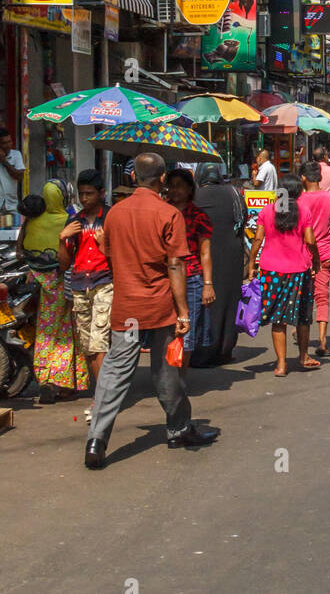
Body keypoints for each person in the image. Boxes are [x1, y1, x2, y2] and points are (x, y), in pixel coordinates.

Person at [84, 152, 218, 470]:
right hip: (160, 306)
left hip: (127, 307)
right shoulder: (168, 214)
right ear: (161, 179)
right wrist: (183, 312)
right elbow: (175, 264)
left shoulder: (114, 213)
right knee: (165, 369)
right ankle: (179, 429)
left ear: (132, 177)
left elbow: (108, 253)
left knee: (116, 372)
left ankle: (96, 439)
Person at [247, 174, 320, 375]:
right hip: (299, 270)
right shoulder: (304, 211)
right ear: (297, 192)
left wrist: (252, 264)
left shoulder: (267, 211)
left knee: (278, 319)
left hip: (271, 271)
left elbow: (257, 239)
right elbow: (311, 241)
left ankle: (280, 365)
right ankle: (303, 357)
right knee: (303, 316)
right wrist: (316, 260)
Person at [21, 183, 87, 402]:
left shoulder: (32, 221)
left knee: (44, 331)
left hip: (35, 283)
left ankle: (44, 378)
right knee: (65, 333)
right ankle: (62, 382)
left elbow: (21, 248)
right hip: (62, 285)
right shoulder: (70, 222)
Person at [58, 170, 112, 419]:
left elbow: (121, 255)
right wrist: (62, 240)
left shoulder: (111, 218)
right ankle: (102, 394)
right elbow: (64, 264)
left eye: (89, 193)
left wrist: (104, 246)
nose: (84, 198)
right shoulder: (74, 222)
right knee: (89, 346)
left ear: (101, 193)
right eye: (81, 194)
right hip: (80, 285)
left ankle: (101, 399)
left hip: (105, 283)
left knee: (99, 343)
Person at [193, 163, 246, 366]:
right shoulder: (234, 192)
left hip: (203, 254)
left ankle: (203, 350)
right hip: (231, 254)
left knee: (204, 301)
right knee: (229, 300)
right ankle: (225, 349)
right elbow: (243, 219)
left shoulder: (195, 196)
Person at [165, 169, 215, 365]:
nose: (175, 190)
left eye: (180, 186)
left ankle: (180, 377)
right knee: (166, 329)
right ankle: (168, 374)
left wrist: (208, 284)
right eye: (172, 185)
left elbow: (205, 252)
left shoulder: (198, 216)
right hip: (164, 277)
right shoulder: (162, 212)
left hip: (192, 278)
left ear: (189, 189)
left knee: (187, 331)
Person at [299, 161, 330, 359]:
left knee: (303, 296)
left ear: (303, 178)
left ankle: (301, 333)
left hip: (302, 255)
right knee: (322, 297)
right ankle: (322, 341)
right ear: (319, 178)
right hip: (325, 253)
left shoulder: (299, 200)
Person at [0, 127, 25, 218]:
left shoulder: (16, 155)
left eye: (9, 141)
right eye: (4, 143)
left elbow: (20, 176)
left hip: (12, 206)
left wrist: (4, 162)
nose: (8, 145)